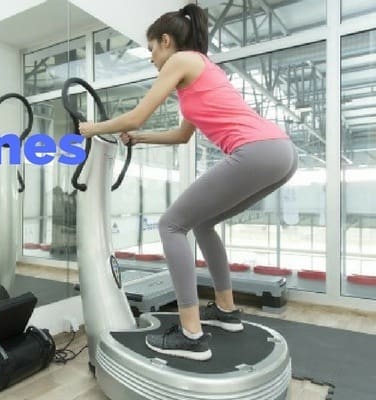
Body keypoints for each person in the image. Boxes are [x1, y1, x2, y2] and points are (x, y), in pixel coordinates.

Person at [78, 4, 297, 361]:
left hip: (256, 150)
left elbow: (136, 114)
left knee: (170, 225)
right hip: (279, 152)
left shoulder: (181, 61)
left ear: (166, 41)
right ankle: (226, 312)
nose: (151, 59)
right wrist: (142, 138)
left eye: (152, 50)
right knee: (204, 223)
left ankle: (191, 334)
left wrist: (92, 128)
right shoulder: (200, 70)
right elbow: (182, 135)